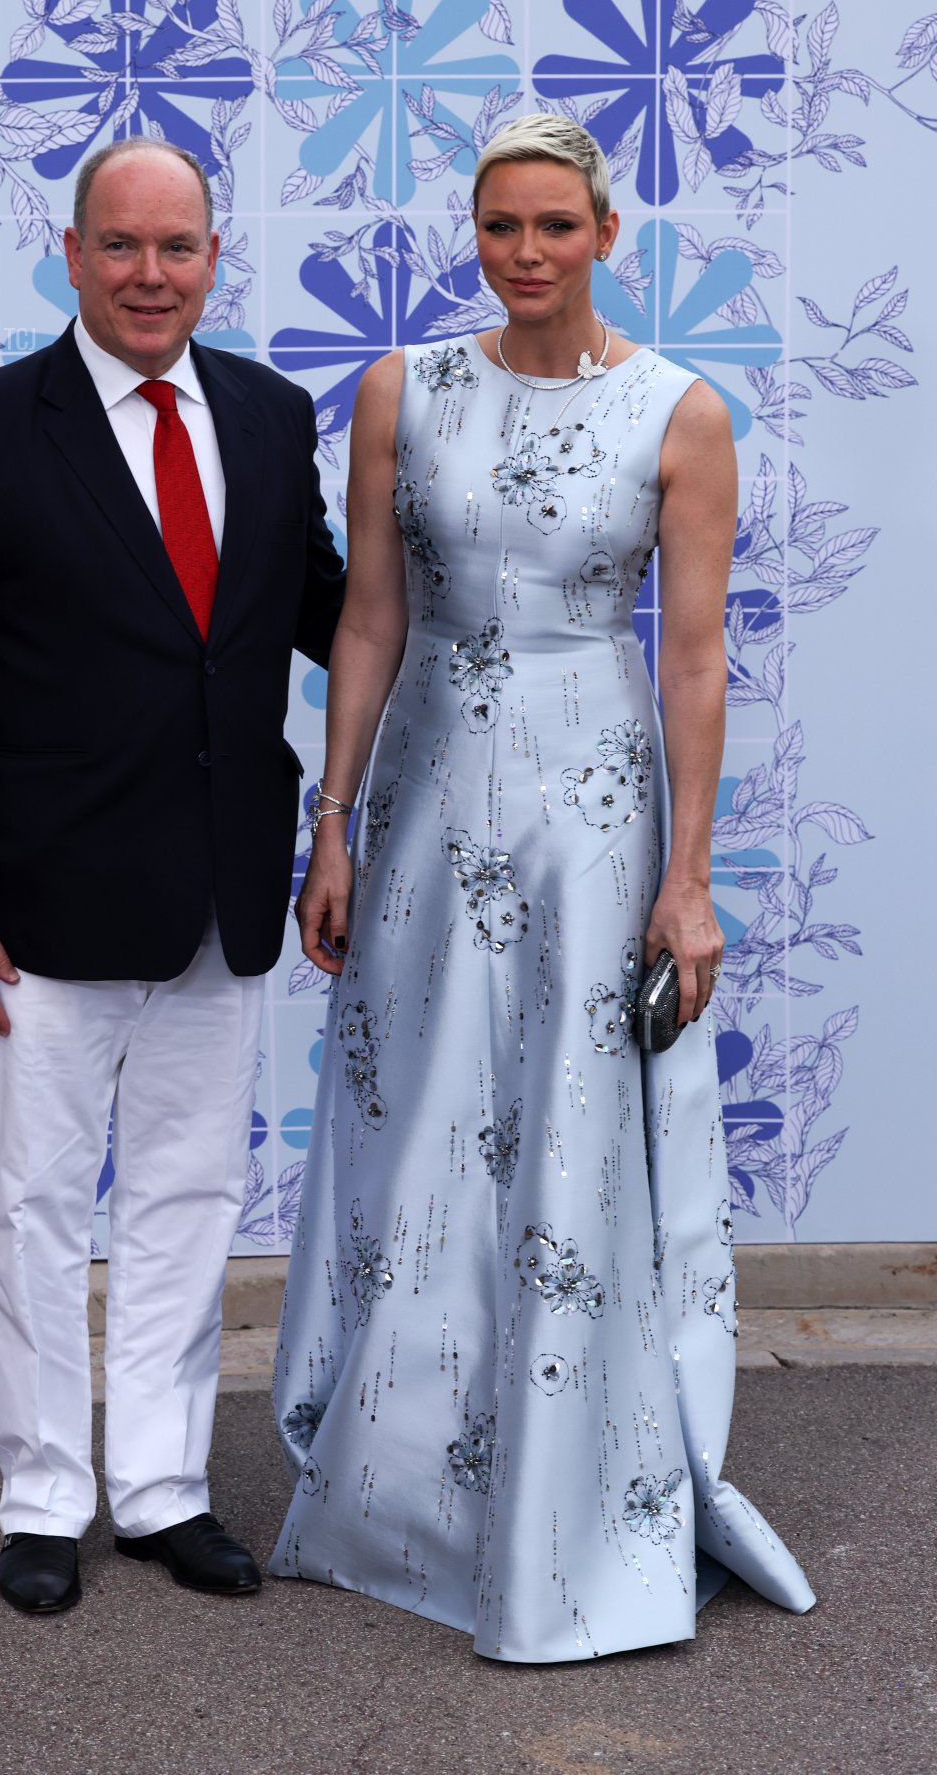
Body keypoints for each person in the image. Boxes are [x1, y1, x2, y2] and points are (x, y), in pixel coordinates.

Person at [271, 114, 814, 1661]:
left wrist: (690, 879)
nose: (523, 254)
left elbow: (694, 656)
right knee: (422, 1115)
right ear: (475, 231)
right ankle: (403, 1485)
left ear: (603, 232)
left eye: (552, 228)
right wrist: (335, 823)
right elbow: (370, 619)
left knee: (570, 1129)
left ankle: (566, 1502)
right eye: (499, 227)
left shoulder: (680, 413)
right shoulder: (404, 388)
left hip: (593, 806)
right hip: (432, 786)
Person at [0, 138, 344, 1614]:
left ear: (214, 258)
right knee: (34, 1207)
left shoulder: (268, 419)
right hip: (31, 912)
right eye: (122, 247)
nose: (152, 275)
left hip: (218, 895)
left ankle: (160, 1488)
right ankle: (43, 1496)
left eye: (179, 248)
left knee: (191, 1201)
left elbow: (331, 613)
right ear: (70, 255)